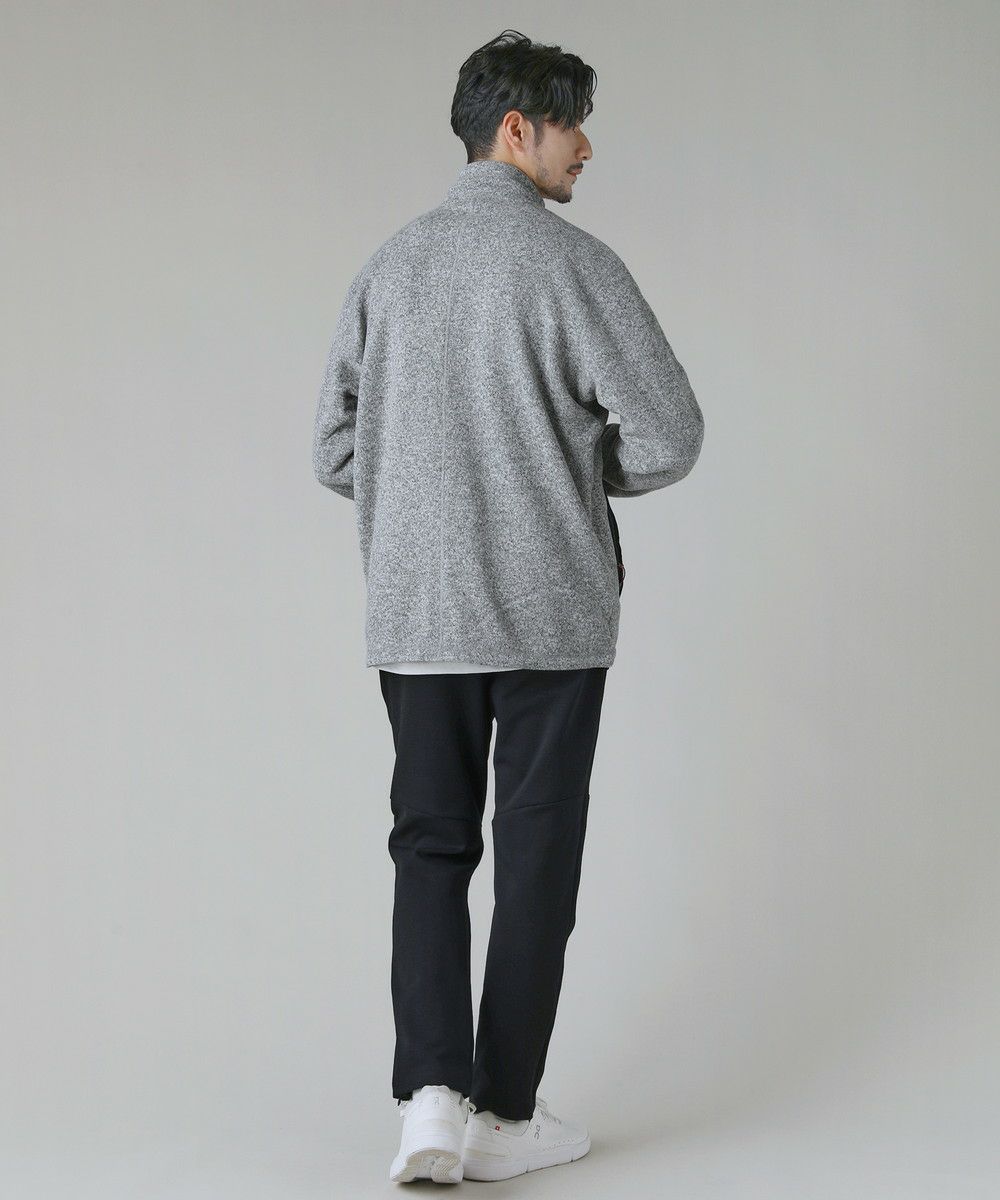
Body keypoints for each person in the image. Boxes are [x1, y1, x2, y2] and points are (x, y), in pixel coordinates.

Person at [312, 28, 704, 1185]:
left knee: (428, 847)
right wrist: (566, 476)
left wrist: (417, 498)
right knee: (536, 858)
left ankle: (430, 1103)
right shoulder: (576, 267)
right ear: (516, 129)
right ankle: (505, 1113)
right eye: (571, 123)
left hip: (418, 616)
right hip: (550, 619)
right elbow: (670, 435)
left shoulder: (388, 268)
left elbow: (333, 448)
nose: (586, 147)